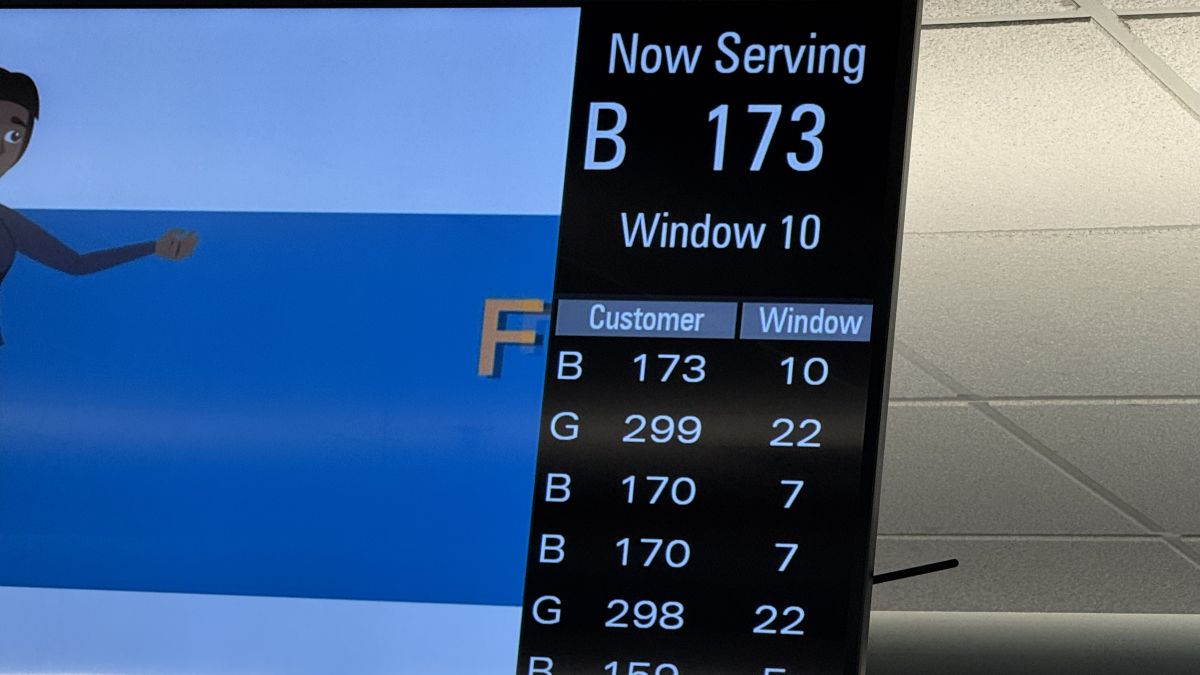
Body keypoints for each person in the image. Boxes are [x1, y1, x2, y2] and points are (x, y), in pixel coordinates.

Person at [0, 67, 197, 345]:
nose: (1, 148)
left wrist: (153, 247)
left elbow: (76, 263)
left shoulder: (7, 223)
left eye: (13, 136)